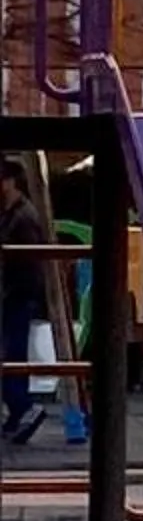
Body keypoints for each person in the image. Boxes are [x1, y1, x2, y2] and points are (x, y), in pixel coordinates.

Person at [1, 157, 53, 444]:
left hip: (16, 297)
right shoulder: (12, 214)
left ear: (10, 182)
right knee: (11, 355)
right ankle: (17, 412)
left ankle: (24, 407)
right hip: (13, 296)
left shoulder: (23, 217)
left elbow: (29, 265)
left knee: (10, 356)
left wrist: (15, 292)